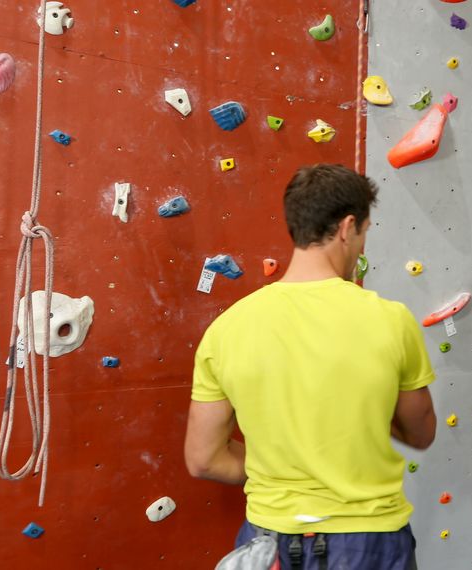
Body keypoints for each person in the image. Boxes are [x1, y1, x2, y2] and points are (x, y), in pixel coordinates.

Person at [184, 164, 437, 570]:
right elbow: (421, 432)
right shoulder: (390, 319)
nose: (361, 246)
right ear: (347, 227)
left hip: (268, 542)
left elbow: (203, 458)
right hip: (367, 540)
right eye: (365, 233)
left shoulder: (227, 327)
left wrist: (285, 465)